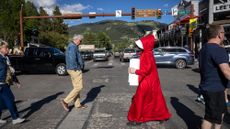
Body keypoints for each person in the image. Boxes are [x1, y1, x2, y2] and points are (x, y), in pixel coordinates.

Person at [127, 34, 171, 126]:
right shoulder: (147, 53)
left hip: (147, 81)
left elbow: (145, 70)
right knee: (155, 99)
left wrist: (134, 70)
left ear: (145, 45)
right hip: (152, 81)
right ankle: (161, 116)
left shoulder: (147, 54)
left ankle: (138, 119)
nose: (139, 47)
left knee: (140, 99)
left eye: (140, 45)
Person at [199, 24, 230, 129]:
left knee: (220, 114)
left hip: (211, 88)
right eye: (223, 33)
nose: (224, 35)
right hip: (214, 90)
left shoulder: (204, 48)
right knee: (210, 118)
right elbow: (226, 72)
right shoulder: (217, 50)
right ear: (219, 35)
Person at [0, 40, 25, 124]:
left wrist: (16, 81)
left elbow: (11, 71)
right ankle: (15, 118)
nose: (8, 49)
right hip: (1, 83)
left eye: (8, 47)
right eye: (6, 47)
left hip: (5, 82)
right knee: (10, 99)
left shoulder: (6, 58)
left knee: (1, 102)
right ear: (0, 49)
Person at [60, 34, 86, 112]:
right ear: (77, 40)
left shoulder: (72, 46)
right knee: (79, 87)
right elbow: (72, 58)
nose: (80, 42)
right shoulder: (73, 46)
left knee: (76, 87)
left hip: (72, 68)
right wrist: (76, 68)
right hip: (74, 69)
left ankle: (77, 104)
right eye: (80, 41)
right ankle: (65, 101)